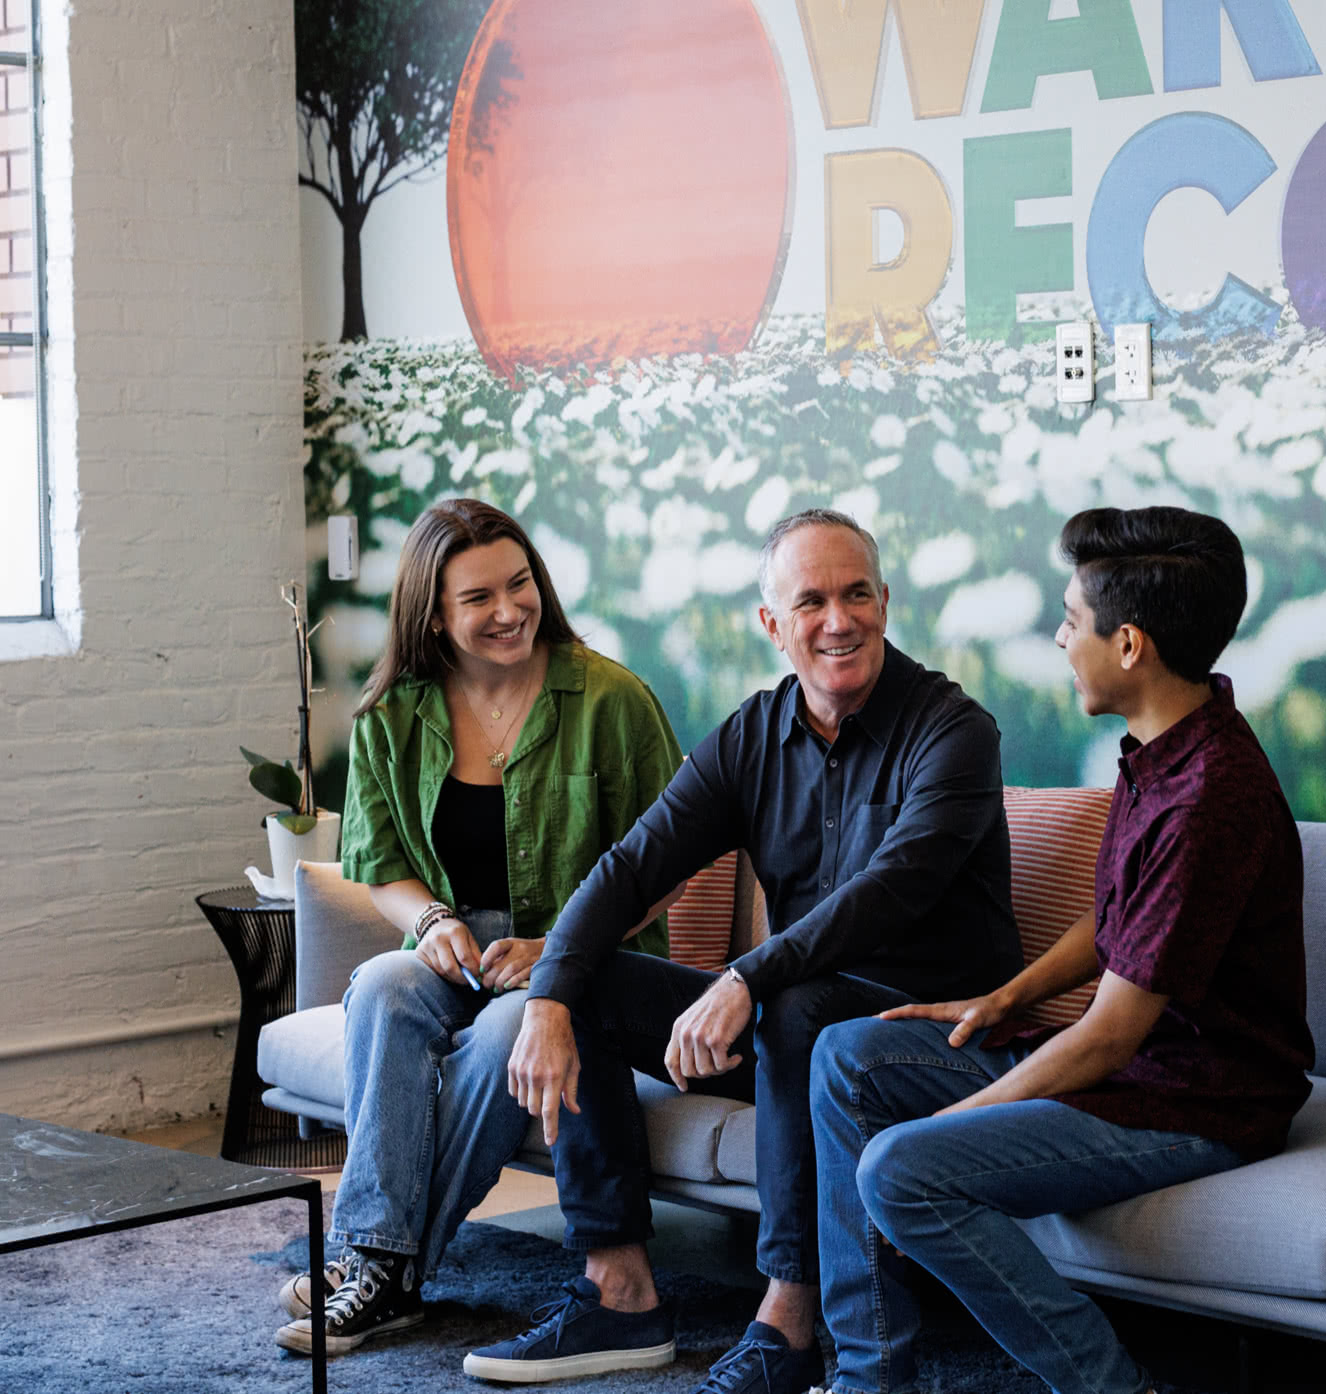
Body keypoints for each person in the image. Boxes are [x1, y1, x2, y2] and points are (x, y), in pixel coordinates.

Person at [475, 509, 1019, 1391]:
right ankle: (620, 1292)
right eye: (810, 601)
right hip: (788, 1024)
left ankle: (787, 1321)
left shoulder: (954, 729)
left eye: (856, 595)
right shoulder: (752, 737)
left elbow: (891, 892)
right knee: (595, 986)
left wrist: (744, 977)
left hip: (931, 1041)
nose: (837, 620)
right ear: (773, 625)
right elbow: (629, 868)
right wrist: (547, 999)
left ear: (886, 601)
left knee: (800, 1009)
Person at [807, 505, 1314, 1394]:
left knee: (901, 1167)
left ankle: (1111, 1385)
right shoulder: (1166, 744)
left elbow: (1112, 1035)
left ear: (1129, 646)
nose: (1057, 636)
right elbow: (1118, 915)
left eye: (1072, 622)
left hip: (1196, 1107)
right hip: (1136, 1079)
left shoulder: (1208, 800)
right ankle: (871, 1375)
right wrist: (1001, 1002)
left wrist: (961, 1118)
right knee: (849, 1057)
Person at [274, 498, 683, 1359]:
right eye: (479, 598)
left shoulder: (612, 699)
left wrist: (560, 953)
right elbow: (378, 862)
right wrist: (427, 921)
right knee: (382, 984)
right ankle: (384, 1265)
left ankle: (378, 1267)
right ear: (432, 612)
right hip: (456, 948)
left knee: (509, 1031)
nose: (510, 611)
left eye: (521, 584)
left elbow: (662, 868)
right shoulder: (393, 712)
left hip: (575, 962)